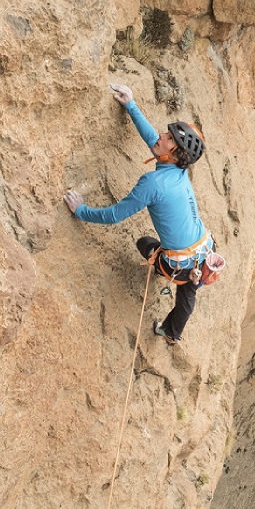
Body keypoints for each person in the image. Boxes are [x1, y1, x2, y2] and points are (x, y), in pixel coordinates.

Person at [65, 83, 213, 345]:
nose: (161, 135)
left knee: (145, 244)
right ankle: (172, 332)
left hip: (179, 263)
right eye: (167, 134)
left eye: (169, 138)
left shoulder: (154, 183)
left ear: (176, 154)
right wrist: (130, 104)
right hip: (204, 246)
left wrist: (81, 210)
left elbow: (113, 216)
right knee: (188, 293)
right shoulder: (178, 171)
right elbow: (152, 141)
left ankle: (171, 329)